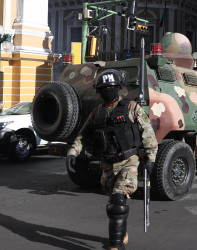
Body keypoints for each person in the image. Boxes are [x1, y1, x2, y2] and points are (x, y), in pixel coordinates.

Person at [66, 69, 158, 250]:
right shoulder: (96, 113)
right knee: (113, 204)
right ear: (99, 91)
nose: (108, 90)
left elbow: (148, 133)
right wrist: (72, 154)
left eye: (111, 87)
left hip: (129, 161)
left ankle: (115, 246)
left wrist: (151, 158)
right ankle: (121, 232)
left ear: (118, 88)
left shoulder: (132, 108)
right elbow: (83, 136)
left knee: (118, 203)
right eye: (104, 88)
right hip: (107, 164)